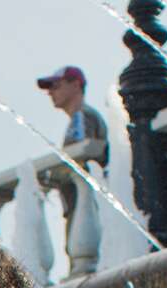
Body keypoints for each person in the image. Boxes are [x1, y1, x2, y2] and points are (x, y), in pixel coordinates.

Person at [36, 65, 111, 219]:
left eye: (56, 86)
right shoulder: (83, 117)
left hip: (84, 210)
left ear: (76, 85)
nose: (50, 92)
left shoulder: (82, 116)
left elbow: (76, 157)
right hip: (86, 209)